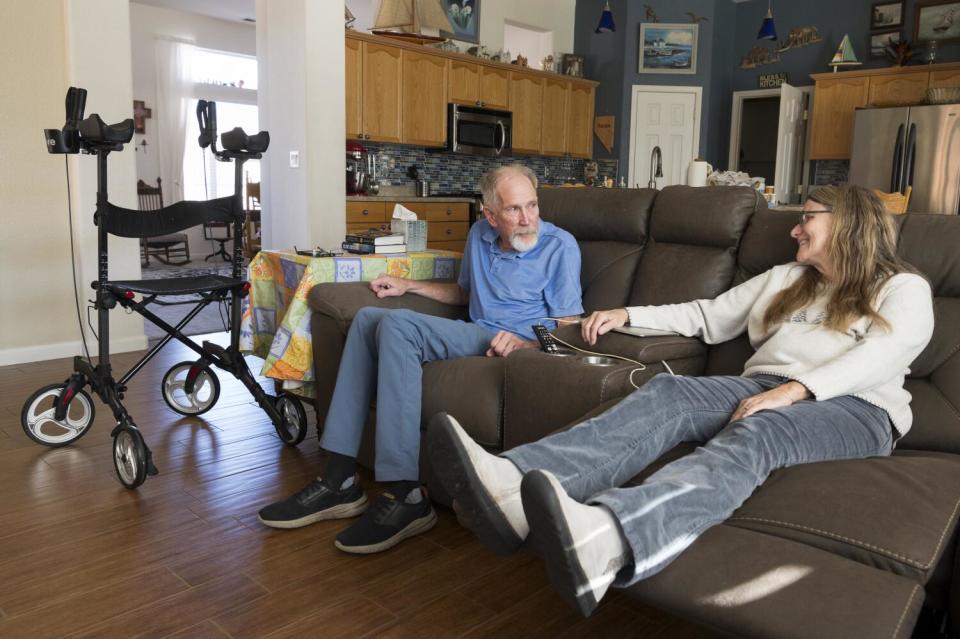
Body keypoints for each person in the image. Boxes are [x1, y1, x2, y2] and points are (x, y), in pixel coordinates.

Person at [428, 184, 934, 616]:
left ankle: (611, 538)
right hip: (764, 384)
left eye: (807, 218)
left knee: (758, 431)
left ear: (847, 222)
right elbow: (707, 314)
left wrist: (799, 390)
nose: (795, 229)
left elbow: (887, 354)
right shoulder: (789, 280)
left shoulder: (901, 286)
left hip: (857, 407)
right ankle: (512, 486)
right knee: (669, 392)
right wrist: (626, 313)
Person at [258, 164, 583, 554]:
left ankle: (406, 495)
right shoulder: (480, 235)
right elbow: (465, 295)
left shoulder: (560, 247)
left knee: (397, 328)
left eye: (532, 205)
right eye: (514, 210)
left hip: (513, 345)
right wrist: (409, 286)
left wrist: (527, 346)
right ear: (490, 215)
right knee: (365, 320)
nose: (528, 219)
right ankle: (338, 478)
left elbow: (569, 327)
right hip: (475, 330)